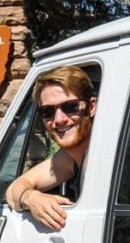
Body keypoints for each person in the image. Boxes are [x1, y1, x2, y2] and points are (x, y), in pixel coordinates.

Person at [6, 66, 96, 231]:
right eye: (48, 112)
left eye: (70, 107)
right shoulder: (70, 158)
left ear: (91, 107)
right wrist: (32, 198)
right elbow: (14, 189)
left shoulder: (106, 156)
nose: (59, 120)